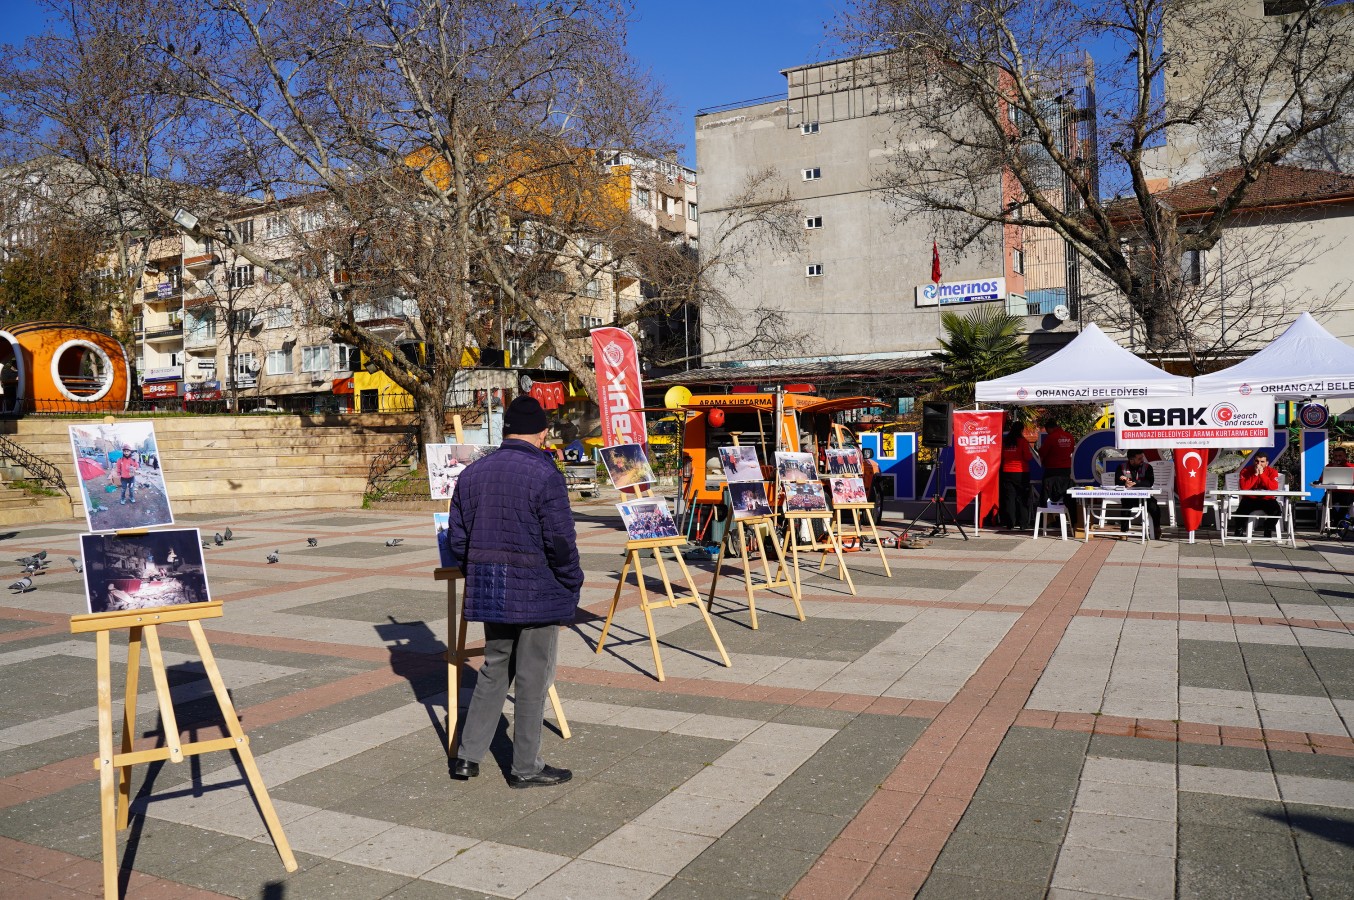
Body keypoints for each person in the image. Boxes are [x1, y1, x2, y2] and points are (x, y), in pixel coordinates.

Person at [447, 396, 583, 788]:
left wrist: (478, 570)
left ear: (506, 430)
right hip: (537, 589)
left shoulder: (472, 473)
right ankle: (526, 767)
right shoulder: (544, 473)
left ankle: (468, 757)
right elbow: (560, 539)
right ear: (541, 432)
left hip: (491, 586)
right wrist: (571, 579)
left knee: (493, 669)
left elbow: (459, 539)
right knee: (532, 677)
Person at [1039, 416, 1078, 528]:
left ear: (1050, 428)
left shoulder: (1051, 438)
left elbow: (1042, 452)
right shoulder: (1069, 436)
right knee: (1067, 495)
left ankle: (1045, 520)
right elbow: (1071, 450)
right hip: (1066, 470)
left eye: (1047, 431)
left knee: (1046, 496)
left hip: (1052, 470)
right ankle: (1072, 520)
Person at [1233, 451, 1282, 537]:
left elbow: (1273, 487)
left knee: (1277, 511)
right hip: (1250, 499)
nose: (1259, 464)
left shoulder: (1272, 472)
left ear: (1267, 463)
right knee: (1241, 510)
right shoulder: (1245, 471)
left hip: (1267, 499)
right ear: (1254, 461)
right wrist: (1255, 475)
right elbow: (1244, 487)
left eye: (1262, 462)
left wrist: (1262, 474)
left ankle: (1268, 528)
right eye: (1257, 461)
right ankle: (1239, 529)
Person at [1114, 450, 1160, 539]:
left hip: (1144, 497)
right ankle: (1124, 531)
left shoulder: (1147, 467)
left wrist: (1134, 483)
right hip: (1129, 497)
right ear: (1131, 460)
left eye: (1142, 457)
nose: (1142, 460)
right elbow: (1117, 481)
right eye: (1139, 458)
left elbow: (1149, 482)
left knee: (1154, 506)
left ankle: (1156, 528)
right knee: (1125, 506)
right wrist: (1124, 484)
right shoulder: (1121, 467)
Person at [999, 421, 1037, 530]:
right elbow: (1028, 457)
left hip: (1007, 472)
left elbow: (1001, 456)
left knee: (1009, 498)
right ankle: (1023, 524)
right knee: (1022, 498)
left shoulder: (1006, 441)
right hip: (1021, 473)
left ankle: (1010, 523)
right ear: (1021, 430)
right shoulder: (1022, 441)